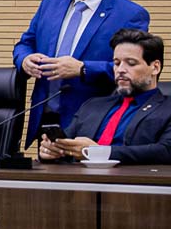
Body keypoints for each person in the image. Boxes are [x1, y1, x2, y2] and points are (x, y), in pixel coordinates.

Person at [13, 0, 149, 148]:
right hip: (46, 118)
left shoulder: (130, 14)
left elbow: (133, 69)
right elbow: (25, 43)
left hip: (93, 123)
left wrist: (83, 69)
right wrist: (25, 59)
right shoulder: (51, 1)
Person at [39, 29, 171, 165]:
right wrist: (51, 151)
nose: (120, 70)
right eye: (117, 63)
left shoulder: (167, 108)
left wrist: (99, 152)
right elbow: (68, 147)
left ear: (155, 67)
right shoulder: (93, 105)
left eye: (131, 63)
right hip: (79, 182)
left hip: (134, 183)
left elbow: (166, 151)